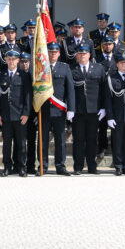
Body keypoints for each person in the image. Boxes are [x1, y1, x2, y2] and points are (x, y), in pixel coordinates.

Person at [37, 41, 75, 176]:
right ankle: (43, 165)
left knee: (60, 140)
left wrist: (71, 108)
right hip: (44, 109)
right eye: (50, 52)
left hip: (59, 111)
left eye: (55, 52)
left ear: (59, 54)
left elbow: (70, 89)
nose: (53, 54)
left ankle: (60, 166)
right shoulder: (41, 68)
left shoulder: (65, 68)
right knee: (42, 141)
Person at [71, 44, 106, 174]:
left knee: (92, 139)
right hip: (78, 111)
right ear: (76, 55)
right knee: (78, 140)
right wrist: (70, 109)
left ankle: (92, 166)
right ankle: (78, 166)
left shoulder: (98, 69)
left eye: (85, 53)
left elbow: (104, 90)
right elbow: (69, 91)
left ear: (89, 55)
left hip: (94, 111)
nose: (82, 56)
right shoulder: (71, 69)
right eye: (80, 53)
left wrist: (103, 108)